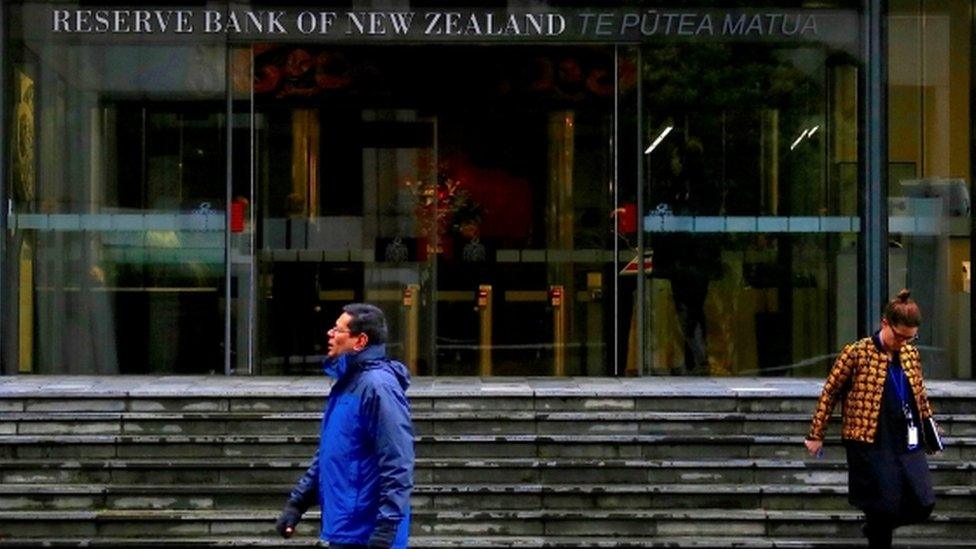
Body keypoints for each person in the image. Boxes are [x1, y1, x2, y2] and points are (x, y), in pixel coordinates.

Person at [804, 289, 937, 548]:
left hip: (906, 437)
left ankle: (874, 528)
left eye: (910, 338)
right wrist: (816, 434)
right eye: (899, 336)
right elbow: (830, 392)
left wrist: (929, 424)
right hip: (870, 440)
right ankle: (877, 530)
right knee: (883, 506)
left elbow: (919, 394)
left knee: (924, 502)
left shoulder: (910, 354)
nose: (903, 342)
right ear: (884, 324)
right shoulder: (857, 353)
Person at [276, 303, 414, 548]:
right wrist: (297, 504)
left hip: (368, 534)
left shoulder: (377, 387)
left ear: (360, 341)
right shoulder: (347, 384)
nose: (330, 334)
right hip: (346, 530)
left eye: (338, 330)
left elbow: (398, 462)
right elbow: (330, 454)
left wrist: (386, 529)